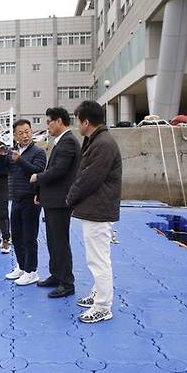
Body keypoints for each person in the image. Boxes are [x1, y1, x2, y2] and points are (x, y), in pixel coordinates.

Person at [66, 100, 122, 323]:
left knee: (98, 260)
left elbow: (89, 178)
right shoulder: (96, 140)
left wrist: (70, 198)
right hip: (96, 208)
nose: (77, 126)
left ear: (86, 122)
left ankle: (103, 306)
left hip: (99, 209)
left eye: (78, 121)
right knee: (95, 258)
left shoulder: (103, 144)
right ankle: (99, 293)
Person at [30, 107, 81, 298]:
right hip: (52, 200)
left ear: (59, 121)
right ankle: (56, 275)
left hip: (61, 201)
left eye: (49, 121)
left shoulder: (68, 142)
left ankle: (67, 283)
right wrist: (41, 194)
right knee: (52, 240)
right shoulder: (60, 142)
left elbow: (58, 171)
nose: (48, 126)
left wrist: (38, 177)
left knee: (60, 242)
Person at [0, 119, 46, 286]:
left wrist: (20, 160)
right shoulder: (13, 152)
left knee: (29, 237)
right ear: (14, 135)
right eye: (21, 133)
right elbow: (3, 170)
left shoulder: (38, 152)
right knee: (17, 236)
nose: (25, 135)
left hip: (31, 199)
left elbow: (38, 172)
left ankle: (32, 271)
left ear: (31, 132)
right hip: (16, 199)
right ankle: (22, 266)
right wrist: (2, 156)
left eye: (27, 131)